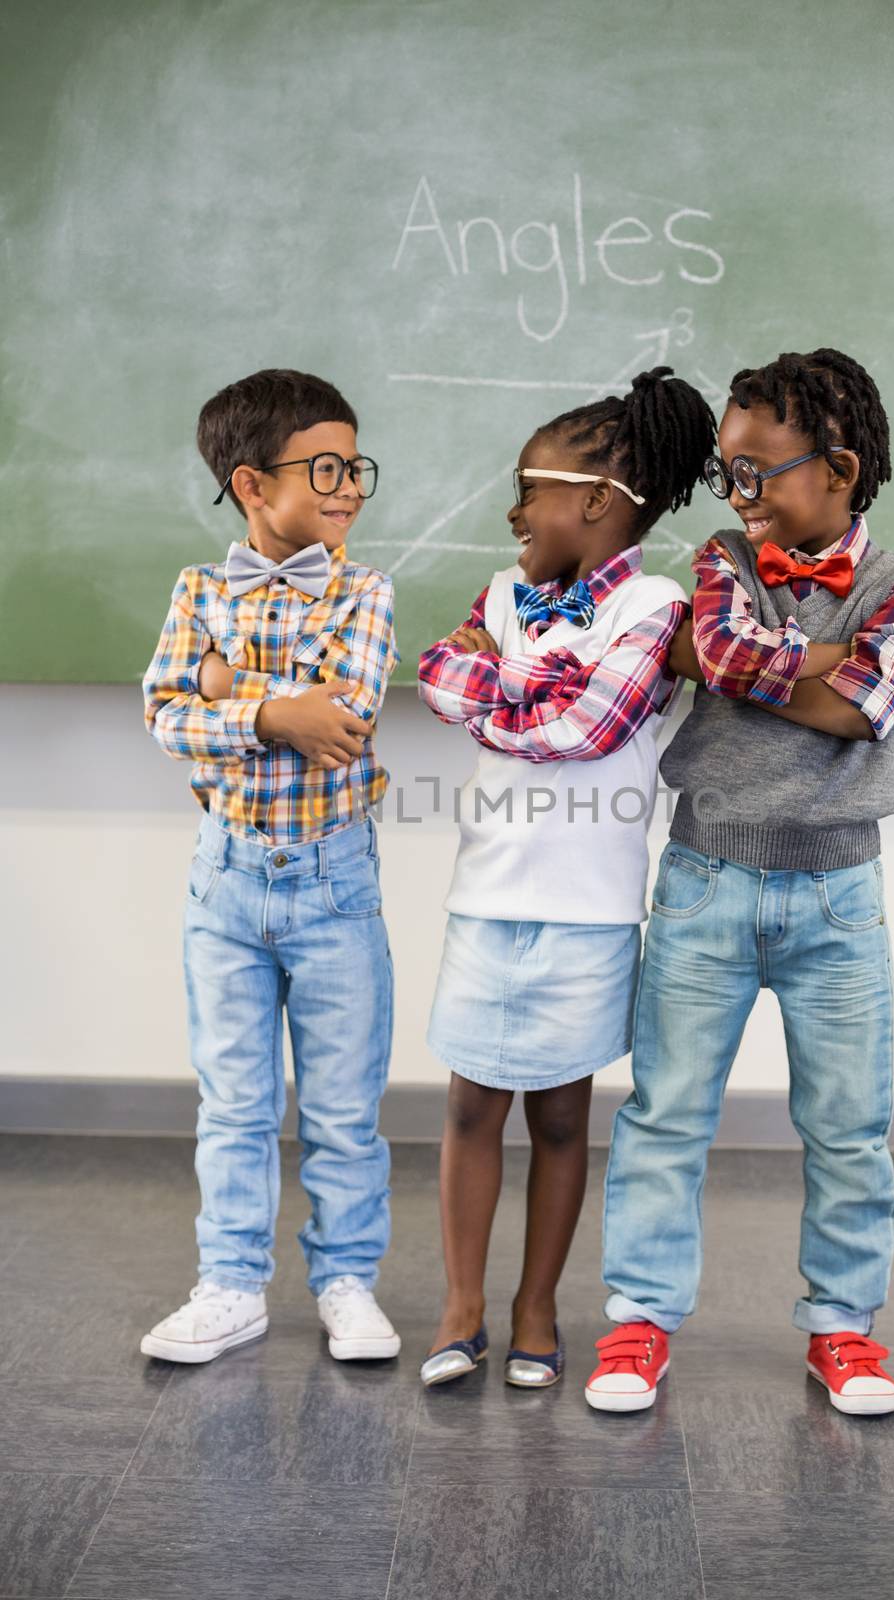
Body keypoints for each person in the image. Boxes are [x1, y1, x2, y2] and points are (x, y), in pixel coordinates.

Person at [585, 348, 894, 1415]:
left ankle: (841, 1328)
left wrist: (809, 670)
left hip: (839, 897)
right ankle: (638, 1321)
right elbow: (722, 656)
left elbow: (829, 702)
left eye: (756, 473)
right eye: (727, 475)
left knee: (847, 1124)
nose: (734, 495)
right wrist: (867, 665)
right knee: (665, 1113)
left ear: (835, 468)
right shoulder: (720, 557)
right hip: (704, 876)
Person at [416, 367, 716, 1388]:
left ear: (590, 500)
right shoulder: (501, 591)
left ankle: (533, 1306)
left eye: (525, 487)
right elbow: (432, 673)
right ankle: (460, 1307)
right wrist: (533, 692)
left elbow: (591, 727)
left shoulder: (656, 603)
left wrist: (493, 686)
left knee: (556, 1119)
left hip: (587, 914)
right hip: (485, 897)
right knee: (468, 1109)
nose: (510, 511)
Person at [140, 368, 401, 1364]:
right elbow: (166, 717)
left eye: (354, 468)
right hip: (225, 886)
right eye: (326, 468)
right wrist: (266, 710)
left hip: (335, 887)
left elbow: (348, 710)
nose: (348, 488)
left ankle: (344, 1280)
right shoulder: (196, 589)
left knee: (342, 1109)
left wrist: (224, 681)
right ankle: (230, 1284)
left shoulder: (365, 588)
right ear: (253, 485)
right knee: (235, 1103)